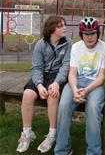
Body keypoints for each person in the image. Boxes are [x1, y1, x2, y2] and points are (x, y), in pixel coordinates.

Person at [16, 15, 72, 153]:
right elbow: (36, 67)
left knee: (53, 95)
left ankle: (52, 134)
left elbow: (66, 66)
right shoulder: (40, 44)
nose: (65, 28)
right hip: (42, 75)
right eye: (60, 26)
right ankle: (27, 133)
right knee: (28, 94)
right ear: (51, 29)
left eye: (64, 25)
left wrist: (57, 83)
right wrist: (40, 85)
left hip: (58, 76)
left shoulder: (69, 43)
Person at [54, 16, 105, 155]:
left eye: (92, 33)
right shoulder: (76, 47)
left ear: (98, 33)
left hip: (95, 84)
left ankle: (94, 152)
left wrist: (86, 91)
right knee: (64, 106)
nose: (89, 37)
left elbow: (101, 76)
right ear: (81, 34)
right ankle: (62, 150)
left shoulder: (104, 48)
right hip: (77, 81)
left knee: (93, 108)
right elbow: (72, 73)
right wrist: (75, 90)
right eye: (86, 34)